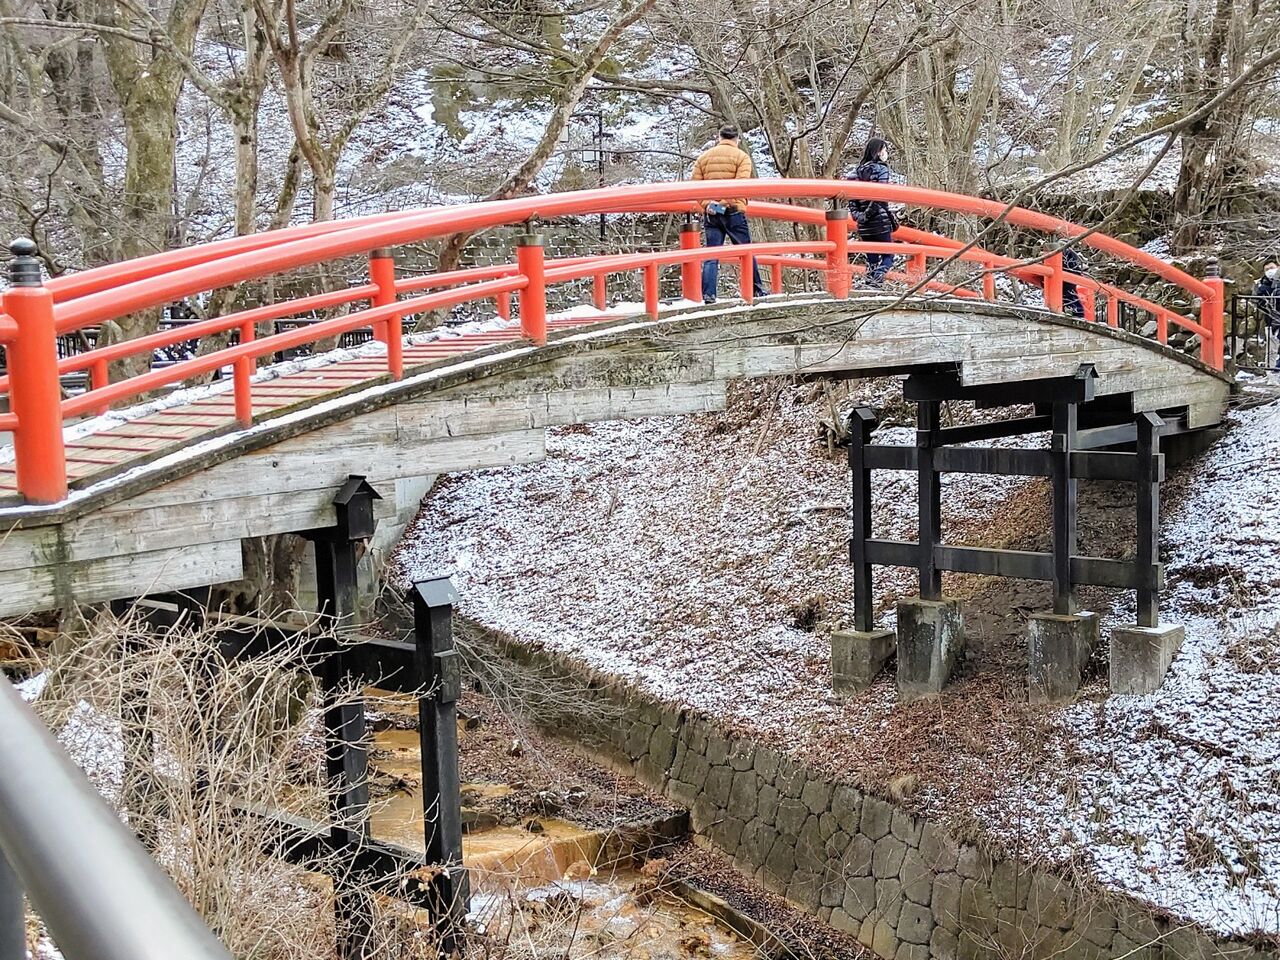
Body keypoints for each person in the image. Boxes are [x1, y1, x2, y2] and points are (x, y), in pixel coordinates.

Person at [692, 125, 765, 304]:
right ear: (737, 139)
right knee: (745, 251)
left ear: (719, 137)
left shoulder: (704, 158)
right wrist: (723, 204)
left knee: (712, 253)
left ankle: (708, 294)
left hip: (711, 213)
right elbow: (740, 186)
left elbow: (694, 187)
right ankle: (756, 290)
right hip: (732, 211)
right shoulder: (742, 157)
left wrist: (709, 204)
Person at [849, 138, 897, 288]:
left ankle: (870, 284)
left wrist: (860, 216)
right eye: (884, 150)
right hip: (879, 221)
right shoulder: (881, 169)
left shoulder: (854, 173)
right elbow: (880, 195)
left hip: (864, 225)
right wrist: (869, 214)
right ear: (878, 151)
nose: (885, 153)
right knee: (889, 255)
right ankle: (877, 279)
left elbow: (852, 202)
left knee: (872, 257)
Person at [1256, 260, 1280, 367]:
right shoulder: (1262, 285)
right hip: (1271, 321)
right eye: (1267, 269)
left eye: (1272, 268)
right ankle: (1270, 373)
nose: (1270, 271)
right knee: (1271, 351)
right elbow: (1260, 303)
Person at [1061, 246, 1087, 318]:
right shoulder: (1069, 252)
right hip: (1069, 275)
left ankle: (1078, 312)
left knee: (1068, 294)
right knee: (1069, 295)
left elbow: (1071, 266)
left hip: (1067, 276)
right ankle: (1077, 312)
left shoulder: (1066, 252)